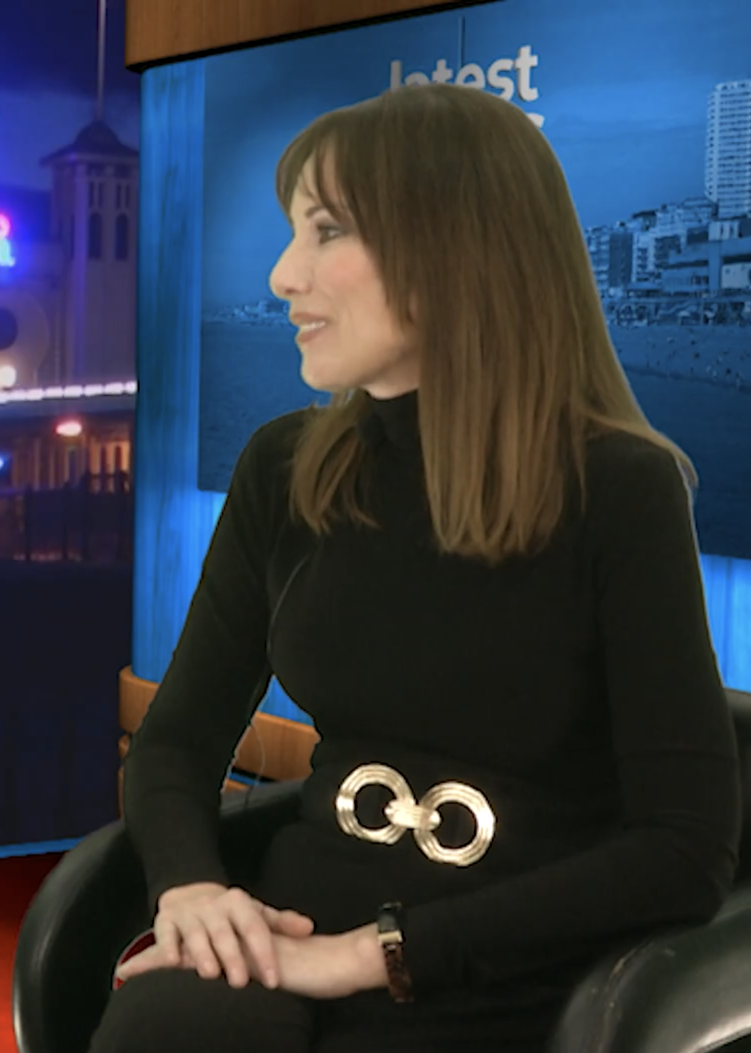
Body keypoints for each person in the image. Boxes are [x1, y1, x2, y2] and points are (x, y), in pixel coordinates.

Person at [92, 83, 740, 1051]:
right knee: (164, 1026)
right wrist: (192, 891)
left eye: (325, 232)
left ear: (455, 248)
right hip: (289, 930)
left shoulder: (621, 487)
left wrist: (376, 954)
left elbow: (682, 852)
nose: (282, 275)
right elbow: (178, 741)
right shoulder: (282, 466)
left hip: (507, 971)